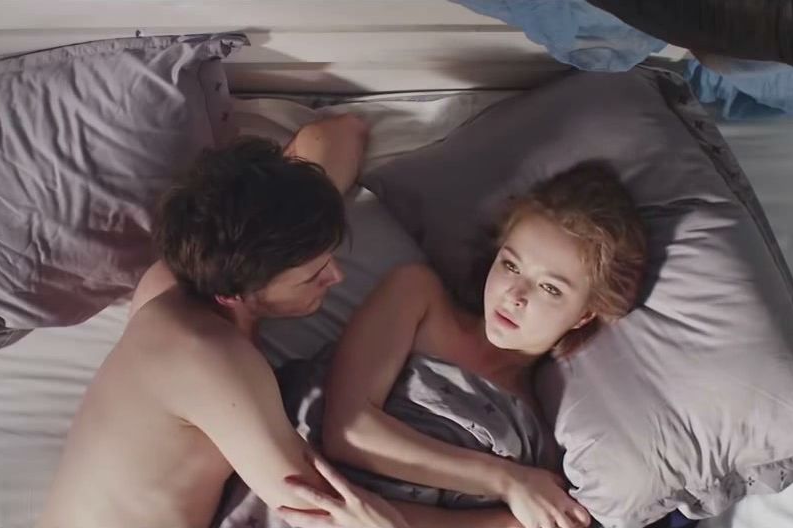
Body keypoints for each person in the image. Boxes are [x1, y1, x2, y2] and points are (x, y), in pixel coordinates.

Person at [38, 115, 513, 528]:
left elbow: (342, 133)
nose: (336, 276)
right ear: (235, 293)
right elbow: (325, 508)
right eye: (313, 275)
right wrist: (510, 515)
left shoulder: (202, 263)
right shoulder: (208, 357)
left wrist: (305, 189)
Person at [320, 166, 648, 528]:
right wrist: (505, 480)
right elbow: (347, 431)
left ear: (583, 316)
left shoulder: (536, 444)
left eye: (550, 288)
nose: (515, 295)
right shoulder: (417, 297)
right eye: (511, 265)